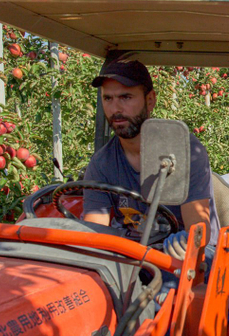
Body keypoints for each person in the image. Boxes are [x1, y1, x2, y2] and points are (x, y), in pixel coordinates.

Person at [82, 58, 219, 261]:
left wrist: (186, 242)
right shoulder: (101, 163)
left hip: (187, 255)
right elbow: (95, 232)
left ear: (150, 101)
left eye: (125, 97)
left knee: (164, 289)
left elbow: (198, 231)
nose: (115, 108)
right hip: (133, 255)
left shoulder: (183, 150)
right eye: (108, 98)